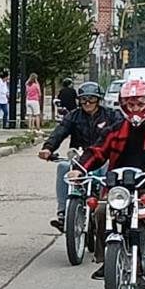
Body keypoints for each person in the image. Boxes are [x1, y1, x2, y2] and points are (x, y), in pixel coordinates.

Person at [71, 78, 145, 281]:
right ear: (123, 104)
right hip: (121, 185)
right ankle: (107, 261)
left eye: (139, 103)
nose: (135, 108)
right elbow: (97, 151)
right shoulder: (115, 129)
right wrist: (79, 168)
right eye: (130, 104)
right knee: (101, 211)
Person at [38, 81, 121, 232]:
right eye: (83, 99)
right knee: (63, 167)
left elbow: (121, 133)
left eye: (92, 98)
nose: (87, 102)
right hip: (79, 158)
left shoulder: (111, 115)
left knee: (109, 170)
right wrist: (48, 148)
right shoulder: (73, 116)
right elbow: (60, 131)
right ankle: (63, 212)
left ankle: (109, 206)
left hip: (103, 158)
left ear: (99, 99)